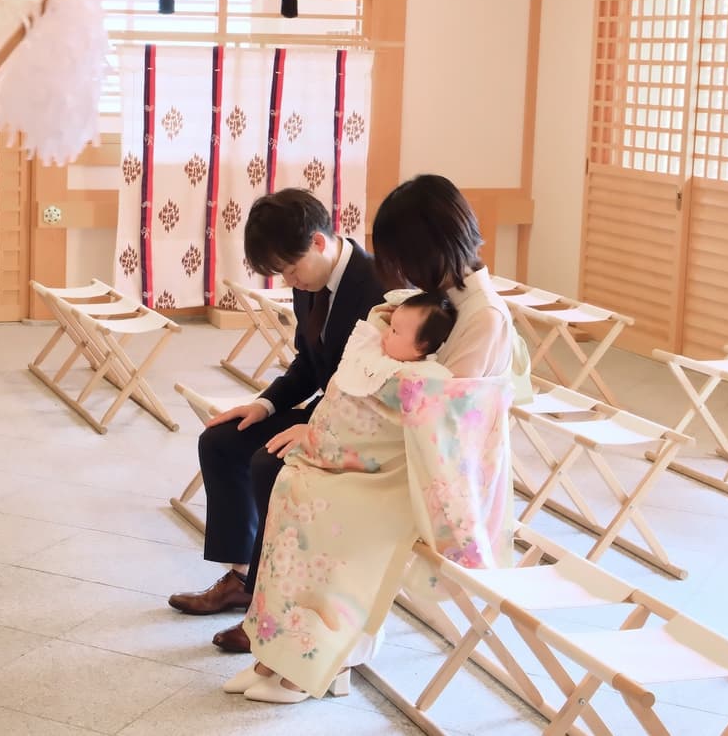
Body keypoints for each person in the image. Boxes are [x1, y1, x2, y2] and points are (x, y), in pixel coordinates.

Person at [224, 173, 532, 704]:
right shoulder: (446, 293)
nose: (404, 272)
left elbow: (442, 420)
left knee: (314, 500)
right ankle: (281, 652)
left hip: (431, 473)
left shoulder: (484, 317)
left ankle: (316, 659)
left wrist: (344, 436)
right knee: (292, 483)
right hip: (402, 450)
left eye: (406, 259)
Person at [167, 188, 392, 654]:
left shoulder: (378, 287)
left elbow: (381, 389)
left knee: (270, 464)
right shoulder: (309, 281)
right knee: (224, 440)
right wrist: (264, 406)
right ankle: (244, 578)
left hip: (360, 420)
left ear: (317, 242)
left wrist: (317, 430)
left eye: (290, 269)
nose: (289, 279)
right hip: (325, 407)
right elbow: (308, 365)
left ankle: (273, 607)